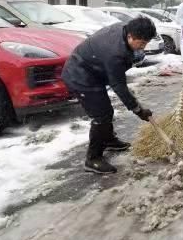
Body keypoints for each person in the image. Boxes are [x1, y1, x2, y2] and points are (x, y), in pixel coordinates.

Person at [62, 17, 157, 174]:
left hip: (93, 71)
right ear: (130, 36)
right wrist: (138, 110)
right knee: (102, 115)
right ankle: (93, 159)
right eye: (141, 43)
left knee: (106, 111)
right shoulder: (115, 53)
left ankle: (108, 140)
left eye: (145, 43)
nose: (142, 47)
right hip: (79, 76)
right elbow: (119, 85)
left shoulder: (125, 29)